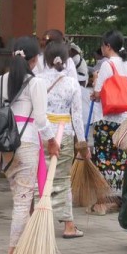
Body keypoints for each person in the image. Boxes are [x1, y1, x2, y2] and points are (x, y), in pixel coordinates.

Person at [0, 37, 58, 254]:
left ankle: (26, 250)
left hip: (5, 146)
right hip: (28, 142)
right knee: (23, 202)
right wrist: (52, 140)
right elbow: (41, 119)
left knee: (20, 198)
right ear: (34, 59)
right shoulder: (35, 83)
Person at [38, 40, 86, 240]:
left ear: (45, 59)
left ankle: (39, 222)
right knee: (63, 179)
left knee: (39, 178)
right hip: (64, 134)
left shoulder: (37, 80)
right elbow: (77, 116)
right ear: (66, 60)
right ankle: (68, 225)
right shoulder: (72, 83)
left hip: (41, 134)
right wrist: (82, 143)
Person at [87, 29, 127, 214]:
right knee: (120, 160)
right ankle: (118, 198)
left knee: (104, 159)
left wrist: (94, 88)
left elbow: (98, 92)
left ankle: (104, 200)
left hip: (106, 120)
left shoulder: (108, 65)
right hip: (124, 120)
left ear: (108, 46)